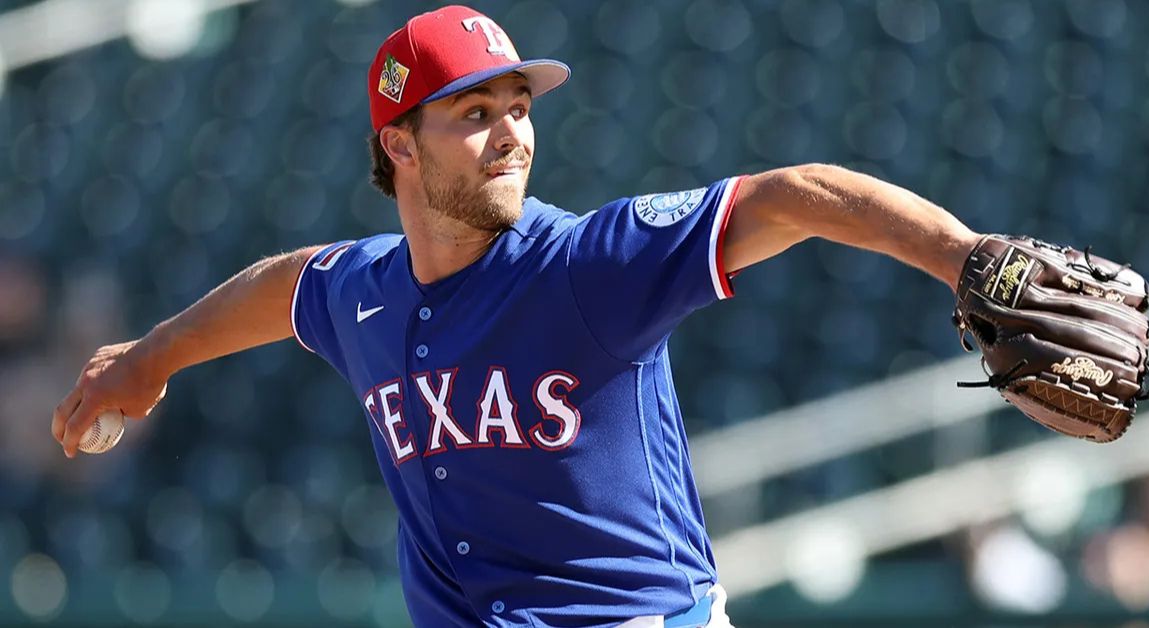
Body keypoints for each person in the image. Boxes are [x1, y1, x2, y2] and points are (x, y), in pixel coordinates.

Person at [51, 5, 980, 627]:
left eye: (520, 105)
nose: (512, 134)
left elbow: (795, 194)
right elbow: (281, 286)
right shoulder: (362, 290)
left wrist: (964, 258)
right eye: (474, 112)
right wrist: (154, 355)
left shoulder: (589, 262)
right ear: (399, 144)